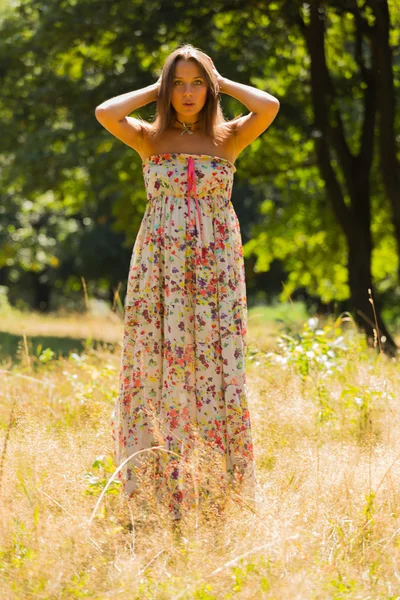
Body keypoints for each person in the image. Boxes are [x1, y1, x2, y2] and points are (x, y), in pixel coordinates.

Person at [95, 43, 280, 521]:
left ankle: (219, 491)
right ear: (167, 89)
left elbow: (269, 105)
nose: (188, 92)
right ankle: (157, 492)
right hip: (160, 269)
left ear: (210, 87)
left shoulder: (229, 137)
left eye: (198, 82)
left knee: (217, 367)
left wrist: (222, 80)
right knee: (157, 364)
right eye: (178, 82)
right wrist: (157, 88)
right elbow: (105, 111)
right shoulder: (149, 138)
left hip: (215, 268)